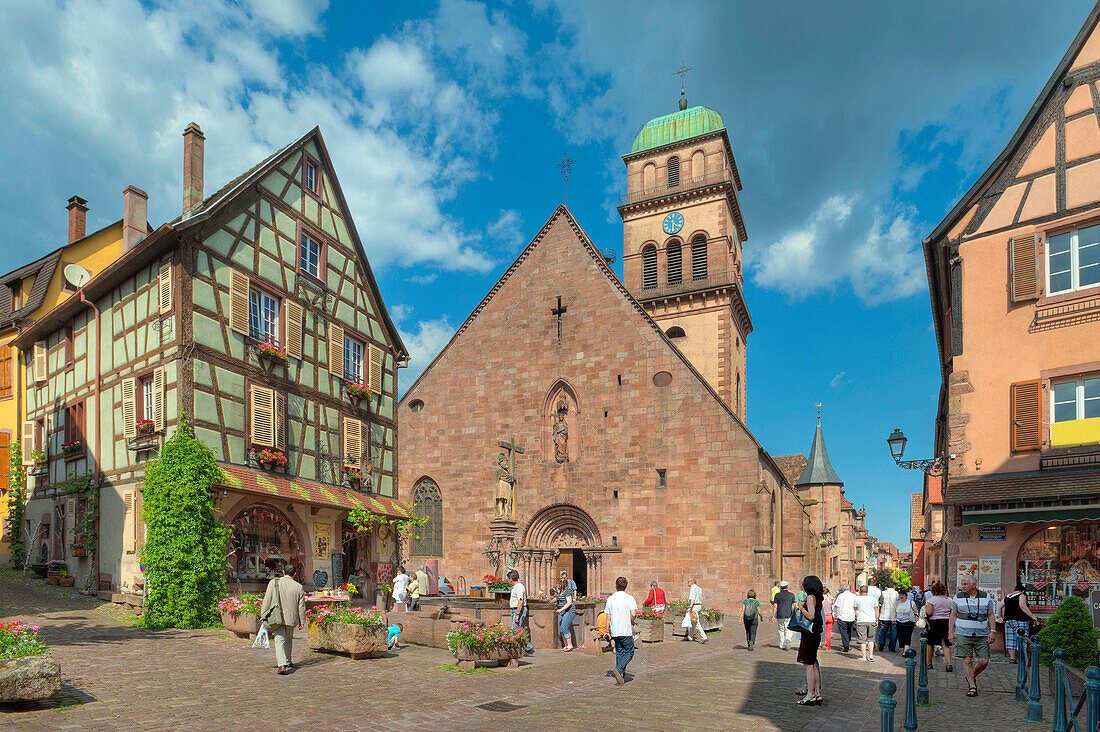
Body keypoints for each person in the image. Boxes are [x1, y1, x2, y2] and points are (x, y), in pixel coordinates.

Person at [950, 577, 996, 697]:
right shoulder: (958, 597)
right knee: (968, 659)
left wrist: (992, 631)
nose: (962, 586)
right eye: (962, 584)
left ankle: (971, 676)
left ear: (974, 585)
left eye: (965, 584)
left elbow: (990, 615)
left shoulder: (986, 597)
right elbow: (953, 615)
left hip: (981, 634)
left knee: (983, 661)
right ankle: (972, 686)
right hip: (963, 633)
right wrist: (951, 632)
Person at [260, 563, 307, 675]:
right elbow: (301, 606)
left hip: (277, 616)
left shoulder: (274, 582)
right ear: (294, 574)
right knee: (288, 639)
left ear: (283, 572)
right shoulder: (298, 587)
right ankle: (287, 660)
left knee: (279, 639)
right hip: (291, 617)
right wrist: (302, 621)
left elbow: (267, 599)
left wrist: (263, 615)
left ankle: (282, 664)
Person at [796, 575, 825, 706]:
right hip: (816, 633)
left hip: (809, 634)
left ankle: (809, 695)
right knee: (813, 664)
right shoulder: (818, 597)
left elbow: (811, 616)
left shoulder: (810, 597)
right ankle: (817, 694)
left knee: (808, 665)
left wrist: (801, 608)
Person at [605, 576, 638, 685]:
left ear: (616, 586)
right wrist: (632, 621)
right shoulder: (629, 598)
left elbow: (608, 617)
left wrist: (606, 631)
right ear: (626, 586)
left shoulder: (610, 599)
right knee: (629, 651)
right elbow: (633, 613)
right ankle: (619, 669)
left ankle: (621, 676)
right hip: (625, 630)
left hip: (615, 630)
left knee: (619, 651)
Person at [1000, 582, 1038, 664]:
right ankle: (1022, 657)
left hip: (1008, 621)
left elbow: (999, 606)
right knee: (1022, 639)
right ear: (1023, 591)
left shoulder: (1008, 596)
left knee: (1010, 640)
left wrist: (1000, 617)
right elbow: (1023, 606)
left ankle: (1012, 658)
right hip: (1020, 620)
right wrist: (1032, 616)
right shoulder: (1021, 595)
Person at [925, 581, 954, 672]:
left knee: (930, 644)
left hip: (934, 622)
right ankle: (949, 664)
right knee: (945, 644)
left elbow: (929, 612)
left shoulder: (932, 600)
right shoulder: (950, 600)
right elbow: (952, 612)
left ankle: (929, 664)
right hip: (946, 622)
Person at [507, 569, 534, 654]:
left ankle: (528, 647)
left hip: (518, 610)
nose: (507, 581)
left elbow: (520, 601)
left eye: (508, 579)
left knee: (514, 630)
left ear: (511, 579)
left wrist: (517, 614)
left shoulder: (518, 586)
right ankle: (523, 647)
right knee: (516, 630)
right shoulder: (518, 586)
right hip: (517, 610)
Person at [853, 585, 879, 662]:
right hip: (871, 620)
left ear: (860, 591)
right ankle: (871, 655)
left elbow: (855, 608)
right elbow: (876, 610)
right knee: (871, 639)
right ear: (867, 591)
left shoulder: (857, 598)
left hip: (861, 620)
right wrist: (877, 620)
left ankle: (864, 657)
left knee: (862, 639)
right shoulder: (873, 599)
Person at [772, 580, 795, 651]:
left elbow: (775, 606)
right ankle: (788, 639)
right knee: (789, 628)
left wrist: (773, 615)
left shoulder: (777, 595)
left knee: (781, 630)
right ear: (787, 586)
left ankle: (782, 644)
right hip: (788, 614)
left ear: (780, 587)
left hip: (780, 614)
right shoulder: (791, 595)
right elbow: (793, 605)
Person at [833, 584, 856, 652]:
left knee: (844, 632)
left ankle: (846, 645)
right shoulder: (854, 596)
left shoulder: (840, 596)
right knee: (848, 631)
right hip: (851, 616)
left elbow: (838, 607)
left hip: (842, 616)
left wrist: (837, 616)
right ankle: (847, 643)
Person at [877, 580, 899, 652]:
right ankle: (892, 647)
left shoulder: (882, 593)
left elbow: (880, 603)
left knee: (882, 631)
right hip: (893, 616)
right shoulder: (896, 594)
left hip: (883, 615)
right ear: (894, 587)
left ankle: (881, 644)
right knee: (894, 633)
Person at [684, 577, 708, 643]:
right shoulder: (699, 588)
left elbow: (692, 598)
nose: (687, 583)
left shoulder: (693, 588)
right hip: (698, 605)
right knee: (692, 621)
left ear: (692, 582)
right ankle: (690, 637)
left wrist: (690, 607)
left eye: (688, 581)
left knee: (696, 622)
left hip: (694, 606)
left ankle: (704, 637)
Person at [556, 575, 576, 651]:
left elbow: (569, 602)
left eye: (559, 584)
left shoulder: (568, 591)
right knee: (561, 629)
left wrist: (561, 609)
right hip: (562, 612)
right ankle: (566, 645)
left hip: (569, 611)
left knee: (564, 627)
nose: (558, 585)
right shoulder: (561, 592)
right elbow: (557, 598)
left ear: (563, 584)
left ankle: (570, 645)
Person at [822, 586, 834, 651]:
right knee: (828, 632)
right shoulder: (830, 599)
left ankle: (823, 643)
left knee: (822, 631)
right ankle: (828, 646)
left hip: (823, 616)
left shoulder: (820, 599)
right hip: (829, 616)